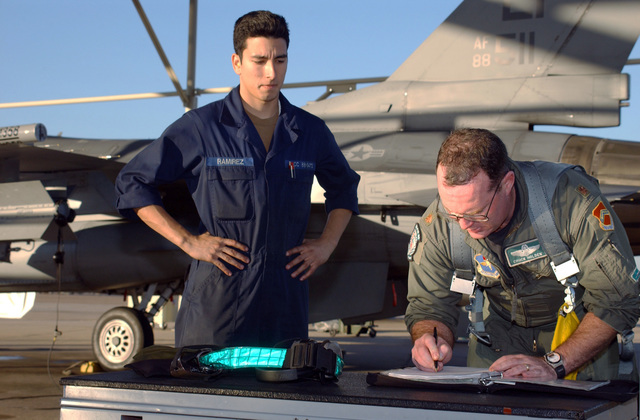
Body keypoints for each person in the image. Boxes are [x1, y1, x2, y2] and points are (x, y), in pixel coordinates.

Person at [115, 10, 359, 349]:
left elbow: (344, 186)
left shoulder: (309, 131)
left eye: (280, 60)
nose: (271, 73)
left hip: (284, 308)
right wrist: (189, 242)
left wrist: (327, 245)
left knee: (281, 398)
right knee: (211, 400)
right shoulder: (202, 128)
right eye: (259, 61)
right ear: (237, 62)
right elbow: (132, 182)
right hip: (217, 308)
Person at [405, 128, 640, 381]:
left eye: (476, 213)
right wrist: (429, 338)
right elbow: (429, 304)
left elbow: (617, 297)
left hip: (578, 333)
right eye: (453, 214)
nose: (463, 225)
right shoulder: (439, 222)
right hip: (497, 336)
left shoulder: (569, 201)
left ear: (507, 184)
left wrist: (553, 364)